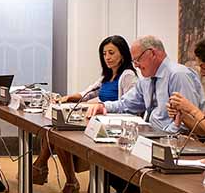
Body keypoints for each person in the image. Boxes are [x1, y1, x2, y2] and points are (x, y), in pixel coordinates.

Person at [33, 35, 138, 193]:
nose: (107, 57)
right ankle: (63, 177)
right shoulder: (107, 75)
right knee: (58, 131)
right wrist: (68, 98)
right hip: (99, 122)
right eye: (104, 54)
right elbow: (87, 92)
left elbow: (129, 107)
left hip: (114, 128)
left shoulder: (128, 76)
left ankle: (42, 167)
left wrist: (98, 106)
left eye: (111, 53)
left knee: (59, 132)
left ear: (122, 54)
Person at [86, 35, 205, 133]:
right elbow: (126, 104)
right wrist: (103, 107)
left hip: (173, 140)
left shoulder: (178, 75)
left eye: (137, 59)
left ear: (152, 53)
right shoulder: (147, 78)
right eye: (134, 61)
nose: (136, 65)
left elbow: (189, 122)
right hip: (152, 135)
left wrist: (163, 137)